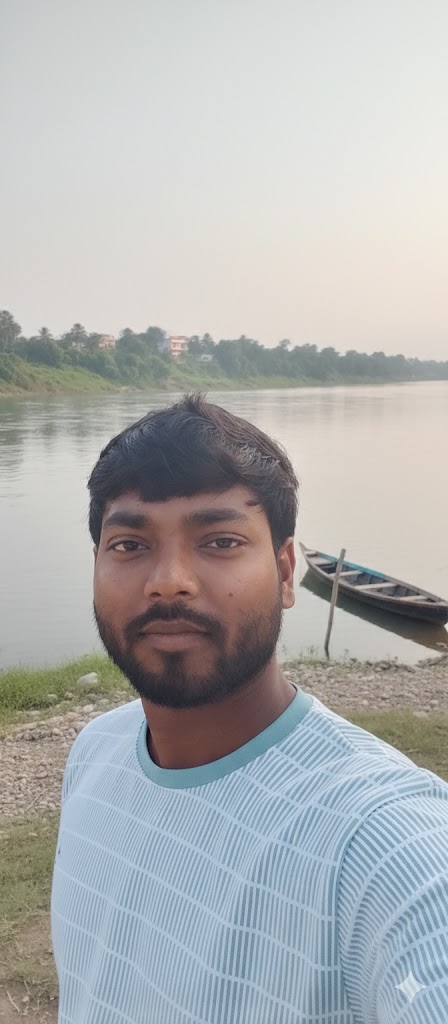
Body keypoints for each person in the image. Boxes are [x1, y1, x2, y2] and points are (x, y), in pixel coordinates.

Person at [51, 394, 448, 1024]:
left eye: (220, 540)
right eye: (129, 545)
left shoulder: (384, 842)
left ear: (287, 574)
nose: (169, 580)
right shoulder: (94, 753)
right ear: (96, 565)